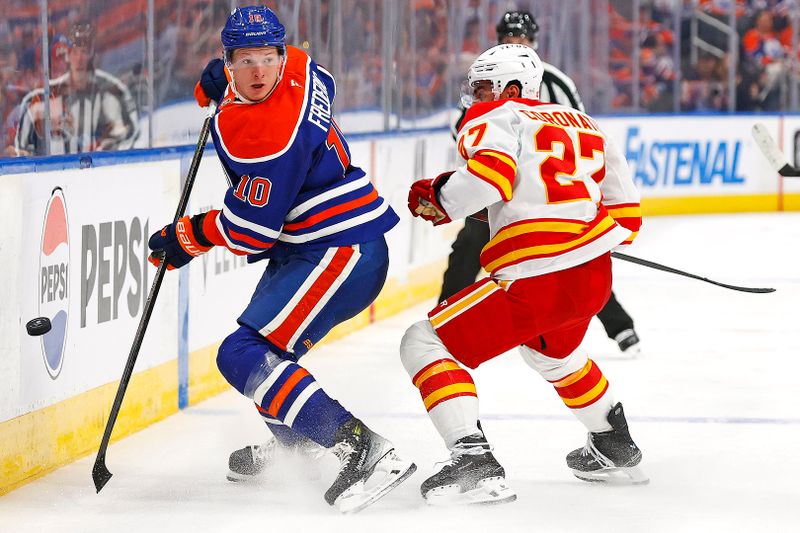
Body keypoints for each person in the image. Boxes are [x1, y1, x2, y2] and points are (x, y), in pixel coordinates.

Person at [149, 6, 414, 513]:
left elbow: (251, 231)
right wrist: (222, 80)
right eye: (244, 60)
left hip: (337, 249)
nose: (256, 72)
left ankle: (362, 449)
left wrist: (190, 235)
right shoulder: (300, 66)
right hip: (328, 242)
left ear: (277, 54)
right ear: (228, 61)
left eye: (265, 58)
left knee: (242, 354)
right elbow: (319, 77)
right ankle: (302, 445)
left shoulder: (264, 135)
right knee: (268, 357)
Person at [402, 43, 648, 506]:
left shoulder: (498, 116)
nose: (474, 99)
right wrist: (581, 234)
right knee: (554, 356)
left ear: (511, 88)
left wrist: (439, 196)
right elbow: (628, 216)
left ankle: (472, 461)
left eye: (481, 88)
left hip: (536, 276)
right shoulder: (589, 125)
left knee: (423, 342)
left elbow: (490, 179)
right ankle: (614, 442)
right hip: (592, 278)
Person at [441, 11, 642, 355]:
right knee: (468, 247)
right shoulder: (488, 84)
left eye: (522, 39)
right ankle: (449, 312)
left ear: (533, 42)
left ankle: (620, 326)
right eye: (509, 38)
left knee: (577, 257)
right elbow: (467, 130)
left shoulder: (556, 82)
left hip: (548, 193)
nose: (516, 44)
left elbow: (582, 132)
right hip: (502, 189)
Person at [10, 22, 139, 156]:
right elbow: (21, 152)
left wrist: (106, 144)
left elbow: (125, 133)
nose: (79, 59)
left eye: (84, 52)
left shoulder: (105, 93)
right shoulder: (34, 104)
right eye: (55, 62)